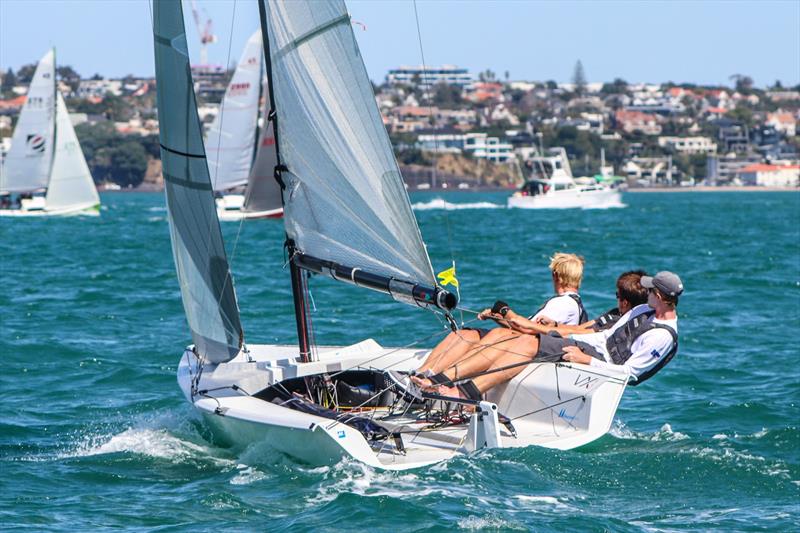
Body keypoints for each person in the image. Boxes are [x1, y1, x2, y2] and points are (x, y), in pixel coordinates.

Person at [423, 271, 683, 402]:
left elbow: (630, 374)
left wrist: (584, 359)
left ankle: (462, 392)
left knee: (525, 342)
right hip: (589, 348)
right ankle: (446, 382)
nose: (645, 292)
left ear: (659, 297)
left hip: (600, 366)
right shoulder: (642, 309)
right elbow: (602, 336)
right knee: (517, 338)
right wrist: (561, 332)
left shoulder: (662, 337)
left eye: (650, 291)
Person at [410, 253, 588, 381]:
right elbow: (523, 327)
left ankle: (441, 377)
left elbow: (526, 329)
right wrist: (496, 317)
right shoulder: (567, 302)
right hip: (521, 342)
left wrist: (504, 310)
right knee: (465, 334)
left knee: (477, 336)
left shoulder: (564, 303)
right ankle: (423, 372)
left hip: (528, 350)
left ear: (556, 275)